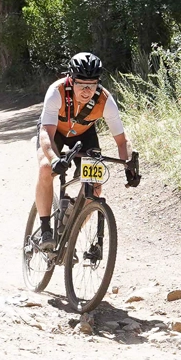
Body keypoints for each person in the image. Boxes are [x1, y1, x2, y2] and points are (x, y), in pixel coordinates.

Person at [35, 51, 140, 249]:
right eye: (81, 84)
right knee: (46, 167)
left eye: (92, 85)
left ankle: (70, 233)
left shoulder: (105, 101)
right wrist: (54, 158)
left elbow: (121, 140)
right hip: (54, 131)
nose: (86, 90)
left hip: (84, 135)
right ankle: (45, 228)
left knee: (95, 185)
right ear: (70, 80)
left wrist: (129, 167)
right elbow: (46, 134)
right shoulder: (56, 91)